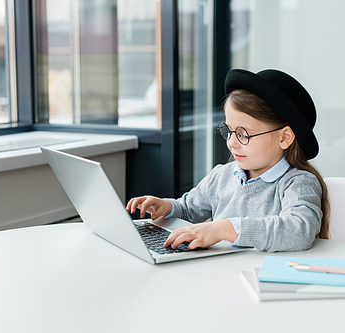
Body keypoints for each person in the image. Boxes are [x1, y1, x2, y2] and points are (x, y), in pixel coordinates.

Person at [126, 69, 330, 253]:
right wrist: (167, 207)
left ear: (285, 138)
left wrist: (224, 228)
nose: (232, 143)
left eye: (244, 134)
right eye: (229, 131)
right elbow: (189, 209)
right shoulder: (223, 175)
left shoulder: (299, 183)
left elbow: (299, 230)